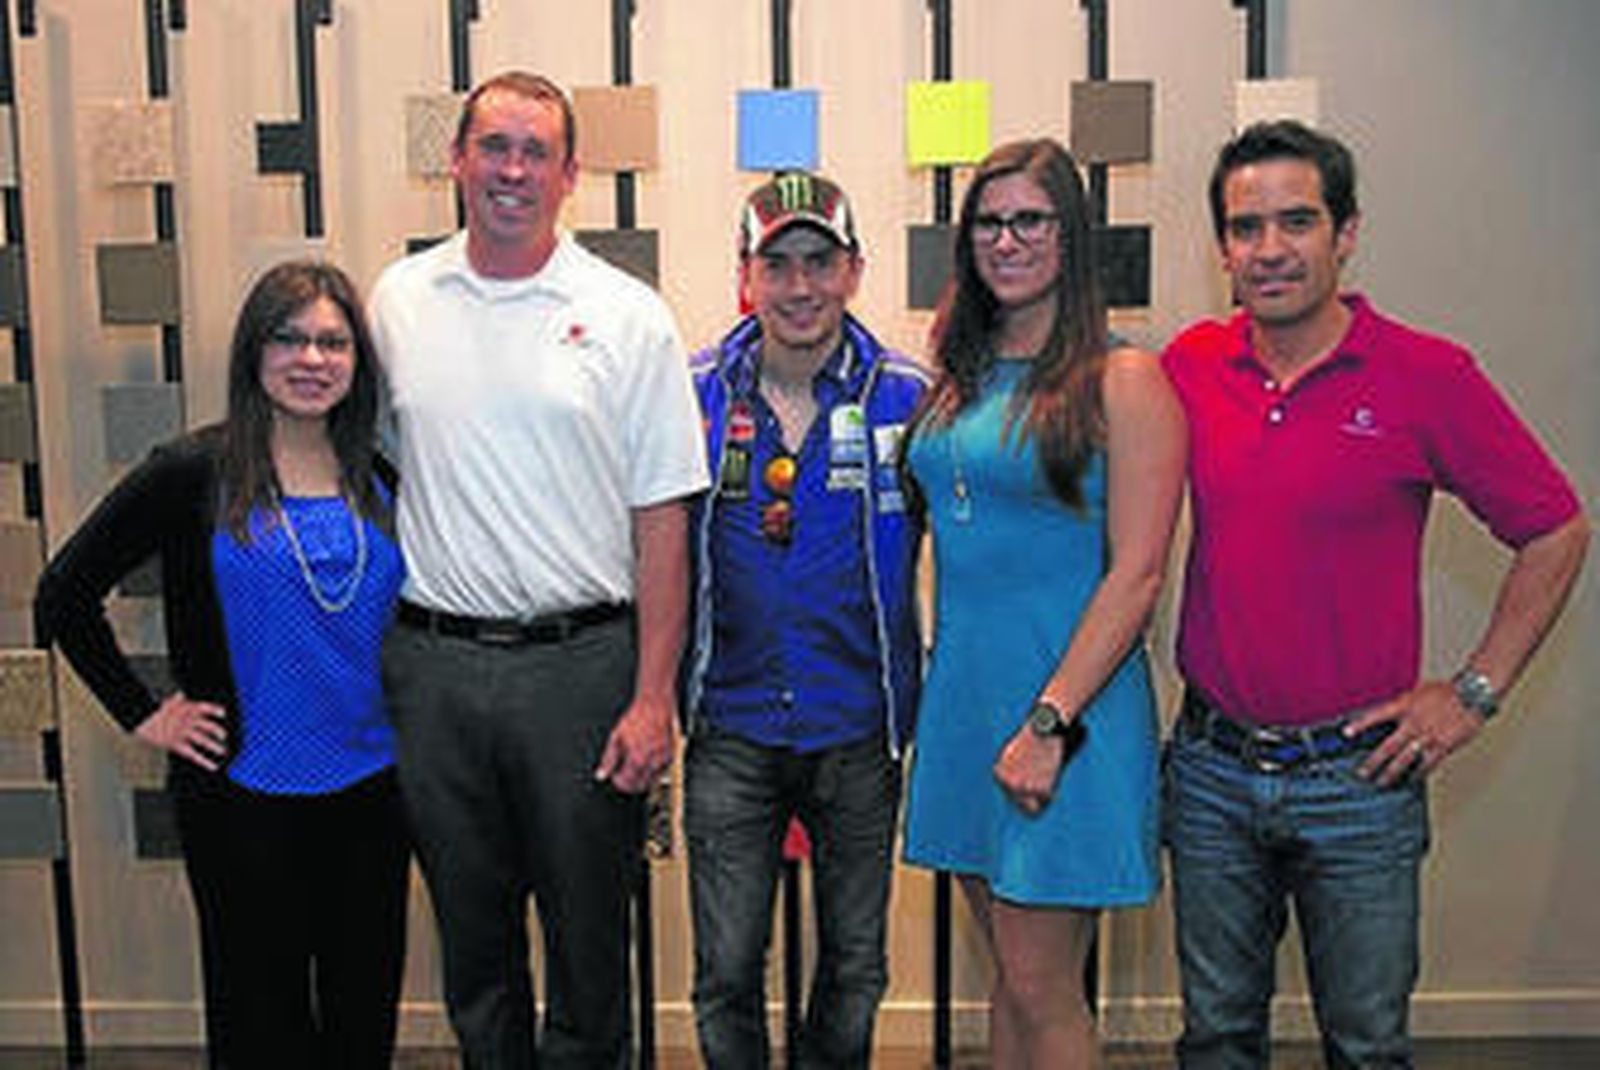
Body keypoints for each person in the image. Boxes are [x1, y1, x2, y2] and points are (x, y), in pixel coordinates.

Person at [1161, 119, 1590, 1068]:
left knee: (1365, 1045)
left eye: (1297, 221)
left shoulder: (1426, 375)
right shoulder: (1190, 367)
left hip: (1359, 780)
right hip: (1211, 770)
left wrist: (1474, 689)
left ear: (1346, 233)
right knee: (1216, 1040)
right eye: (1245, 228)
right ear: (1222, 247)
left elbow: (1557, 527)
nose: (1270, 249)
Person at [368, 70, 708, 1068]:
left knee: (588, 942)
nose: (511, 170)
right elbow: (358, 465)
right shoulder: (398, 300)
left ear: (570, 175)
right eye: (494, 147)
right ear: (458, 160)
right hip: (434, 669)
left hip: (582, 668)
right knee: (473, 946)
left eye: (535, 152)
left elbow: (664, 522)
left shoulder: (624, 312)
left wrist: (654, 699)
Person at [34, 261, 409, 1070]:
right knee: (258, 1026)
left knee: (360, 1023)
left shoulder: (379, 477)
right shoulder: (192, 472)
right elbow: (62, 594)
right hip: (243, 798)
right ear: (254, 353)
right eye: (291, 338)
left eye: (333, 342)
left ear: (357, 362)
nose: (312, 359)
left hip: (372, 797)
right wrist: (146, 711)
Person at [900, 138, 1186, 1067]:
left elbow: (1138, 574)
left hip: (1067, 714)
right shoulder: (962, 377)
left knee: (1043, 986)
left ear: (1071, 236)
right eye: (989, 221)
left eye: (1031, 219)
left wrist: (1050, 721)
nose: (1007, 239)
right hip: (968, 704)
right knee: (1011, 982)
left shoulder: (1126, 380)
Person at [682, 172, 928, 1068]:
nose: (798, 285)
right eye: (776, 263)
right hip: (731, 726)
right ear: (745, 275)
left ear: (854, 270)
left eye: (818, 261)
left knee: (857, 965)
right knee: (725, 972)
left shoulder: (909, 396)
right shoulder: (693, 394)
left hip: (859, 728)